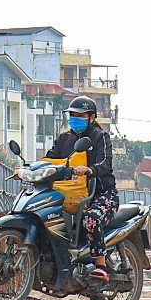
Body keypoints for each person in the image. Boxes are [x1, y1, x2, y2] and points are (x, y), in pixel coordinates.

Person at [33, 95, 118, 283]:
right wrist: (31, 169)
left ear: (92, 117)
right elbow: (50, 160)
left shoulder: (99, 137)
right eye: (72, 115)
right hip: (70, 193)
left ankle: (101, 267)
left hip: (101, 195)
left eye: (80, 115)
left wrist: (90, 170)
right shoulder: (65, 139)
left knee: (92, 219)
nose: (75, 119)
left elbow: (105, 163)